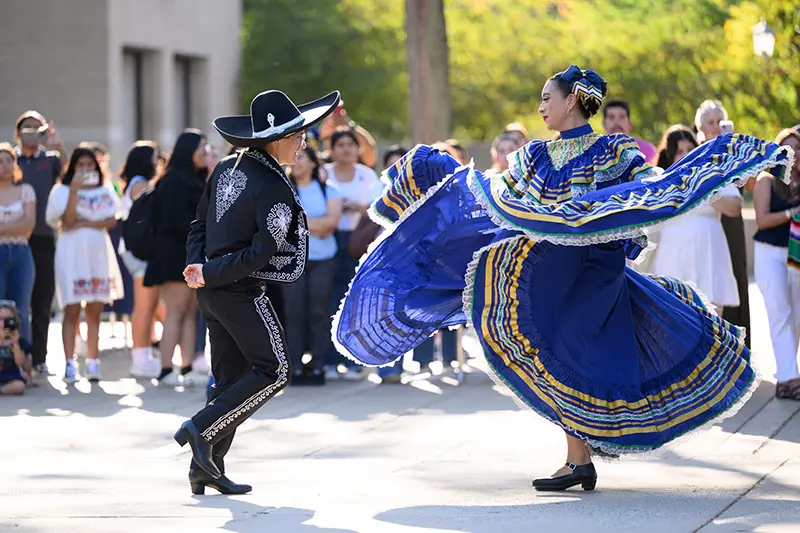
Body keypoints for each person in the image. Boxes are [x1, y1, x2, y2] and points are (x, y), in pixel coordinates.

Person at [333, 65, 793, 491]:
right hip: (549, 270)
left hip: (595, 271)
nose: (540, 107)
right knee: (558, 353)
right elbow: (497, 199)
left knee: (574, 351)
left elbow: (647, 191)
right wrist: (439, 178)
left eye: (546, 98)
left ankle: (582, 456)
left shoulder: (616, 149)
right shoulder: (534, 156)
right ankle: (580, 458)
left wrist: (710, 166)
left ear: (571, 100)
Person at [176, 89, 340, 494]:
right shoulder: (273, 184)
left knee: (229, 379)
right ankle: (200, 429)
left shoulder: (227, 167)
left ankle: (206, 468)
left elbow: (198, 227)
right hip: (239, 291)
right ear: (276, 139)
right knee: (275, 370)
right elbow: (261, 251)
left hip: (212, 292)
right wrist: (211, 272)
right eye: (297, 136)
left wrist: (200, 269)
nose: (303, 143)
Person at [45, 147, 124, 383]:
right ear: (73, 167)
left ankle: (93, 361)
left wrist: (86, 222)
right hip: (72, 254)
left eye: (90, 165)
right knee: (71, 308)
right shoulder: (61, 191)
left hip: (98, 253)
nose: (86, 170)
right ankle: (69, 363)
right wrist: (75, 194)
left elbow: (111, 221)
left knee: (95, 309)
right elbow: (67, 222)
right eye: (81, 165)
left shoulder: (105, 188)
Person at [647, 125, 741, 312]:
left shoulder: (714, 174)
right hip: (673, 260)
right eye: (679, 151)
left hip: (709, 259)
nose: (685, 155)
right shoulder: (660, 181)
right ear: (670, 155)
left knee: (713, 322)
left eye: (690, 150)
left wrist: (704, 187)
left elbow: (735, 207)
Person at [15, 111, 64, 376]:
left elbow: (69, 179)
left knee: (42, 300)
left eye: (37, 127)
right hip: (15, 237)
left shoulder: (51, 159)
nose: (31, 132)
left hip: (44, 237)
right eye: (27, 128)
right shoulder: (10, 160)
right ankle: (14, 355)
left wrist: (57, 145)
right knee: (13, 300)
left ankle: (39, 358)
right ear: (18, 132)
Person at [753, 129, 800, 400]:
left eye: (797, 147)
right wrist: (791, 213)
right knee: (780, 312)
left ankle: (785, 376)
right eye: (786, 148)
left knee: (796, 315)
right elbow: (762, 220)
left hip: (795, 254)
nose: (792, 152)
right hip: (769, 252)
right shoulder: (766, 180)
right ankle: (790, 378)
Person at [602, 98, 658, 163]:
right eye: (611, 117)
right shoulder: (593, 152)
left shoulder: (648, 151)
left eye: (622, 116)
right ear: (604, 123)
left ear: (630, 123)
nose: (616, 122)